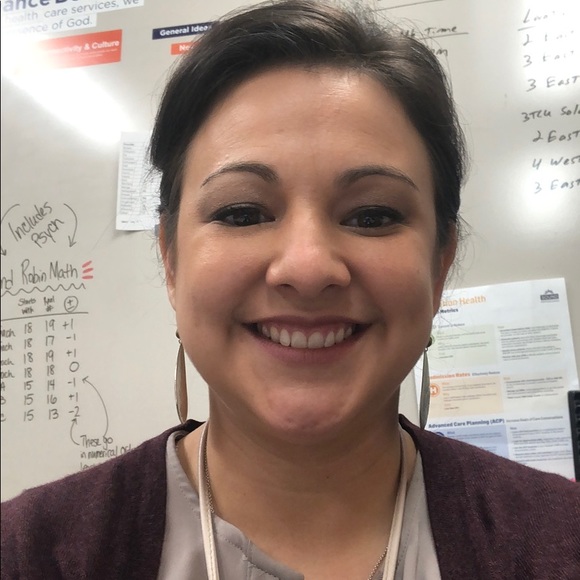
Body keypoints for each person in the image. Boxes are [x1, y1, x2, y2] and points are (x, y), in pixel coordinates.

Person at [2, 1, 579, 578]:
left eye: (372, 216)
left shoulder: (560, 538)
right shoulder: (27, 553)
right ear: (170, 259)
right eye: (242, 212)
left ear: (439, 264)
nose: (307, 267)